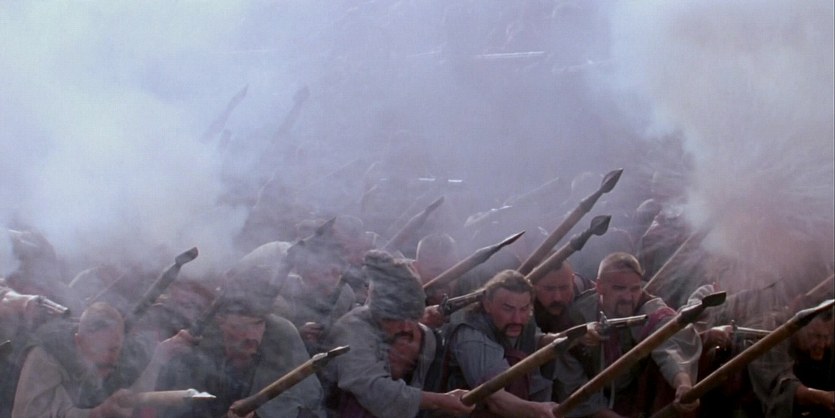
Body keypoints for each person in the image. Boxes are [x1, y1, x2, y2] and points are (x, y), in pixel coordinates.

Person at [156, 267, 325, 418]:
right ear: (221, 323)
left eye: (257, 324)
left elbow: (307, 395)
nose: (251, 336)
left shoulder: (281, 333)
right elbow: (178, 405)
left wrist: (260, 413)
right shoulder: (200, 345)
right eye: (240, 327)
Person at [325, 250, 473, 418]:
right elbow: (375, 391)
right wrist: (440, 400)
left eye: (411, 318)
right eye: (398, 319)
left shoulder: (427, 338)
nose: (406, 327)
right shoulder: (351, 330)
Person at [555, 252, 701, 418]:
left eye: (635, 289)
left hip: (639, 396)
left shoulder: (649, 309)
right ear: (600, 286)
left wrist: (683, 384)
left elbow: (670, 346)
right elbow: (572, 386)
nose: (628, 297)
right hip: (590, 402)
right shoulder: (576, 318)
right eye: (619, 288)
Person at [12, 302, 191, 418]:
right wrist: (97, 413)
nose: (107, 357)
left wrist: (162, 354)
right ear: (78, 341)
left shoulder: (124, 350)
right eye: (98, 349)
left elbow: (134, 390)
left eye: (113, 349)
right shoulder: (48, 356)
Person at [443, 269, 559, 418]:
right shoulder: (471, 335)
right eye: (508, 309)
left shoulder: (524, 321)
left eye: (524, 309)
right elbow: (495, 400)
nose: (517, 319)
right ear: (487, 305)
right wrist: (538, 410)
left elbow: (534, 347)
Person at [748, 309, 834, 418]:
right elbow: (781, 386)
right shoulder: (774, 336)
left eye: (826, 337)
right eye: (816, 336)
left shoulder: (828, 349)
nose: (822, 344)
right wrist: (823, 397)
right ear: (800, 331)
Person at [532, 261, 592, 334]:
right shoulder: (523, 303)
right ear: (534, 285)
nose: (557, 298)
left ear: (572, 281)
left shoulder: (584, 287)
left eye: (564, 288)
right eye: (549, 289)